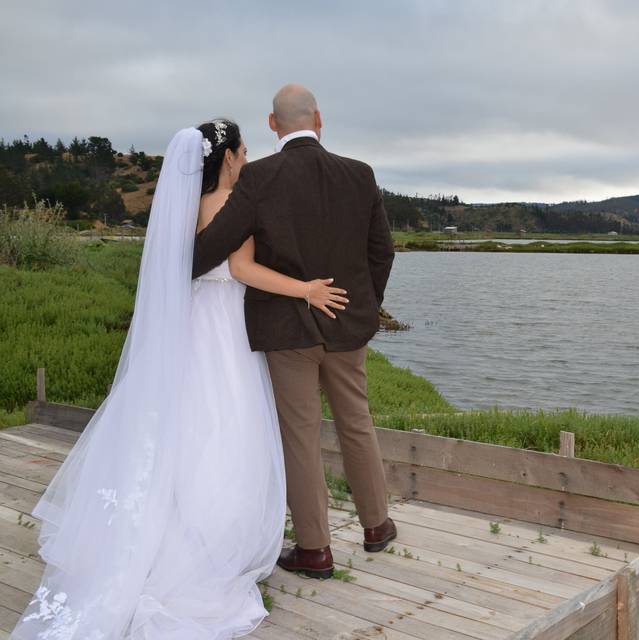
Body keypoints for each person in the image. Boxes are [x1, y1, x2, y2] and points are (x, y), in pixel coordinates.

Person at [13, 121, 346, 639]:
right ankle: (208, 540)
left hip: (186, 323)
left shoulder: (182, 205)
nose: (247, 155)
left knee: (178, 422)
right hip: (224, 327)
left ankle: (154, 526)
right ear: (230, 158)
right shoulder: (235, 204)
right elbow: (242, 270)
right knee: (224, 428)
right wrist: (305, 288)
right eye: (243, 148)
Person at [192, 84, 397, 580]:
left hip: (287, 330)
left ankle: (314, 550)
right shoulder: (360, 173)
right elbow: (382, 253)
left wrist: (175, 264)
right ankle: (376, 526)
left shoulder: (259, 176)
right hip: (348, 325)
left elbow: (214, 246)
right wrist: (365, 310)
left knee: (300, 436)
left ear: (271, 124)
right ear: (319, 118)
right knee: (357, 423)